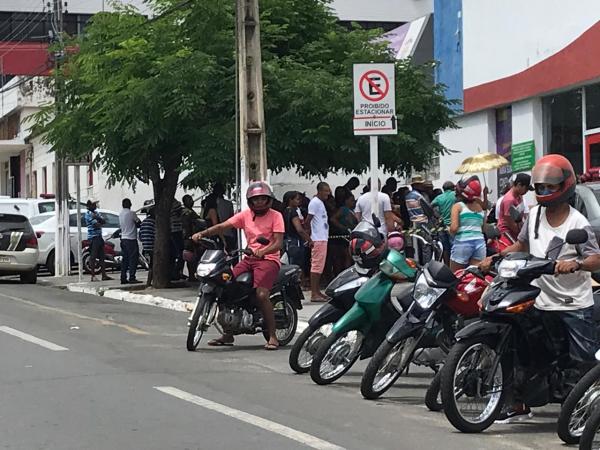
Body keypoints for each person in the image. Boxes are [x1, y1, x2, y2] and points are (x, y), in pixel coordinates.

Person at [481, 155, 600, 422]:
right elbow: (522, 245)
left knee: (582, 361)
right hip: (538, 297)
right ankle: (519, 402)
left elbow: (595, 259)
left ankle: (587, 412)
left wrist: (576, 263)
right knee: (523, 349)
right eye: (540, 187)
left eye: (550, 187)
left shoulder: (578, 223)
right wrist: (497, 256)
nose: (544, 192)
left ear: (565, 186)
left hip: (572, 303)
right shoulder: (534, 215)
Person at [192, 181, 284, 350]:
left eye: (263, 199)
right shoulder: (245, 215)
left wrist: (263, 252)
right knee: (224, 284)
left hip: (269, 260)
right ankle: (228, 334)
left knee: (262, 294)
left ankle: (272, 336)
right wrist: (202, 233)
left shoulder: (276, 216)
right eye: (255, 199)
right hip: (248, 258)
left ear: (268, 200)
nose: (259, 202)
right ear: (250, 201)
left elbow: (278, 243)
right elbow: (222, 226)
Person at [449, 176, 486, 271]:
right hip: (480, 242)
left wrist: (449, 231)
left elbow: (454, 228)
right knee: (475, 274)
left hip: (462, 243)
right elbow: (483, 228)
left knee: (455, 275)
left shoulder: (457, 207)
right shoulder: (480, 208)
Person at [305, 182, 331, 302]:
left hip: (322, 237)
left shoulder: (320, 203)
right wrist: (309, 238)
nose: (328, 193)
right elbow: (308, 221)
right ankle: (314, 293)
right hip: (318, 238)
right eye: (326, 191)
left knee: (319, 266)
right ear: (319, 191)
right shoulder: (314, 203)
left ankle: (317, 292)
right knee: (316, 267)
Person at [496, 173, 533, 240]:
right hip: (506, 232)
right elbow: (509, 222)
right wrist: (522, 234)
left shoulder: (519, 196)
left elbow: (522, 216)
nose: (527, 191)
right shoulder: (509, 200)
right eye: (526, 189)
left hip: (516, 231)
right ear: (519, 185)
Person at [84, 200, 112, 282]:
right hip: (93, 237)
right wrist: (98, 220)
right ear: (89, 205)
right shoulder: (88, 214)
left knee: (102, 256)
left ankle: (104, 275)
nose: (95, 205)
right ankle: (93, 276)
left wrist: (97, 218)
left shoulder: (96, 213)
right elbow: (97, 225)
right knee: (93, 256)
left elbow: (103, 221)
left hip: (99, 236)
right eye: (94, 204)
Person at [282, 191, 312, 268]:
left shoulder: (285, 211)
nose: (299, 201)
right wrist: (309, 240)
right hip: (296, 242)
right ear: (290, 200)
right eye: (297, 199)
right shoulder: (293, 212)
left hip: (287, 241)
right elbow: (299, 229)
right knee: (297, 266)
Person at [432, 181, 456, 263]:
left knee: (445, 248)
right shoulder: (455, 195)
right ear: (453, 188)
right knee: (454, 247)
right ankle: (454, 267)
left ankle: (447, 266)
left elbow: (429, 206)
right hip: (453, 225)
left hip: (442, 226)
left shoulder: (439, 197)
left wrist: (437, 216)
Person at [118, 198, 141, 284]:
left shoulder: (120, 214)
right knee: (133, 259)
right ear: (129, 204)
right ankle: (132, 277)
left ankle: (123, 277)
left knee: (125, 259)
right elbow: (139, 223)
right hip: (131, 238)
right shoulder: (132, 213)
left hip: (123, 238)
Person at [182, 194, 203, 282]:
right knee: (190, 257)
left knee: (191, 257)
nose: (192, 201)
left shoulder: (189, 211)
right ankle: (191, 275)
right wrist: (189, 237)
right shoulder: (188, 213)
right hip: (189, 237)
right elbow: (188, 225)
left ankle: (192, 274)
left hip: (190, 237)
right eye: (189, 200)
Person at [139, 206, 156, 286]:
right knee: (152, 266)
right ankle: (149, 283)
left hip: (145, 247)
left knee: (150, 265)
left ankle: (149, 282)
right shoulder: (154, 222)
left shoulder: (144, 222)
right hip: (152, 246)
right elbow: (156, 235)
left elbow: (140, 235)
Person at [170, 199, 184, 280]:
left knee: (178, 254)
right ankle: (175, 272)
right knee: (179, 254)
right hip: (175, 232)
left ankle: (177, 272)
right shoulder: (174, 204)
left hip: (176, 231)